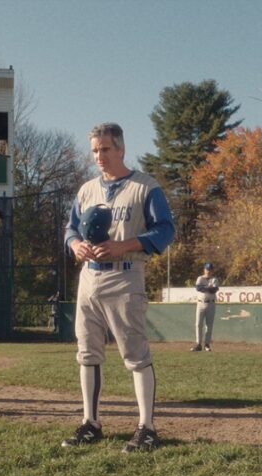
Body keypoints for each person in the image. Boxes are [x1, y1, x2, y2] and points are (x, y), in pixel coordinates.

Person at [61, 122, 175, 451]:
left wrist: (123, 245)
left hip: (125, 275)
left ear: (121, 149)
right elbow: (70, 228)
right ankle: (90, 422)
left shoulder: (144, 186)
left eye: (106, 149)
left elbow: (166, 230)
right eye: (95, 150)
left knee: (135, 354)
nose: (99, 155)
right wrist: (75, 245)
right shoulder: (86, 190)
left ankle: (147, 427)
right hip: (90, 278)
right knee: (87, 353)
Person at [191, 262, 219, 351]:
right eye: (207, 269)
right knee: (198, 324)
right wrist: (208, 287)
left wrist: (205, 288)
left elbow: (214, 290)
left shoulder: (214, 279)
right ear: (204, 269)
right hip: (200, 303)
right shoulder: (200, 278)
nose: (208, 271)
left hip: (211, 303)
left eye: (210, 269)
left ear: (212, 270)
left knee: (209, 325)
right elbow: (198, 288)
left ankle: (207, 344)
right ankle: (198, 344)